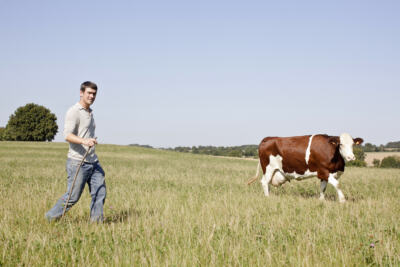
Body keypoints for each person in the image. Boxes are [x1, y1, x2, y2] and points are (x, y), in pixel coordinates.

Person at [45, 81, 106, 222]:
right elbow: (67, 135)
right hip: (78, 161)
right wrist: (84, 141)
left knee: (100, 192)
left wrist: (91, 140)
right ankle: (50, 218)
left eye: (94, 94)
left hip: (93, 161)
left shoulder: (90, 113)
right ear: (81, 92)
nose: (92, 96)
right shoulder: (74, 111)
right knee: (72, 196)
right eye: (89, 93)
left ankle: (96, 223)